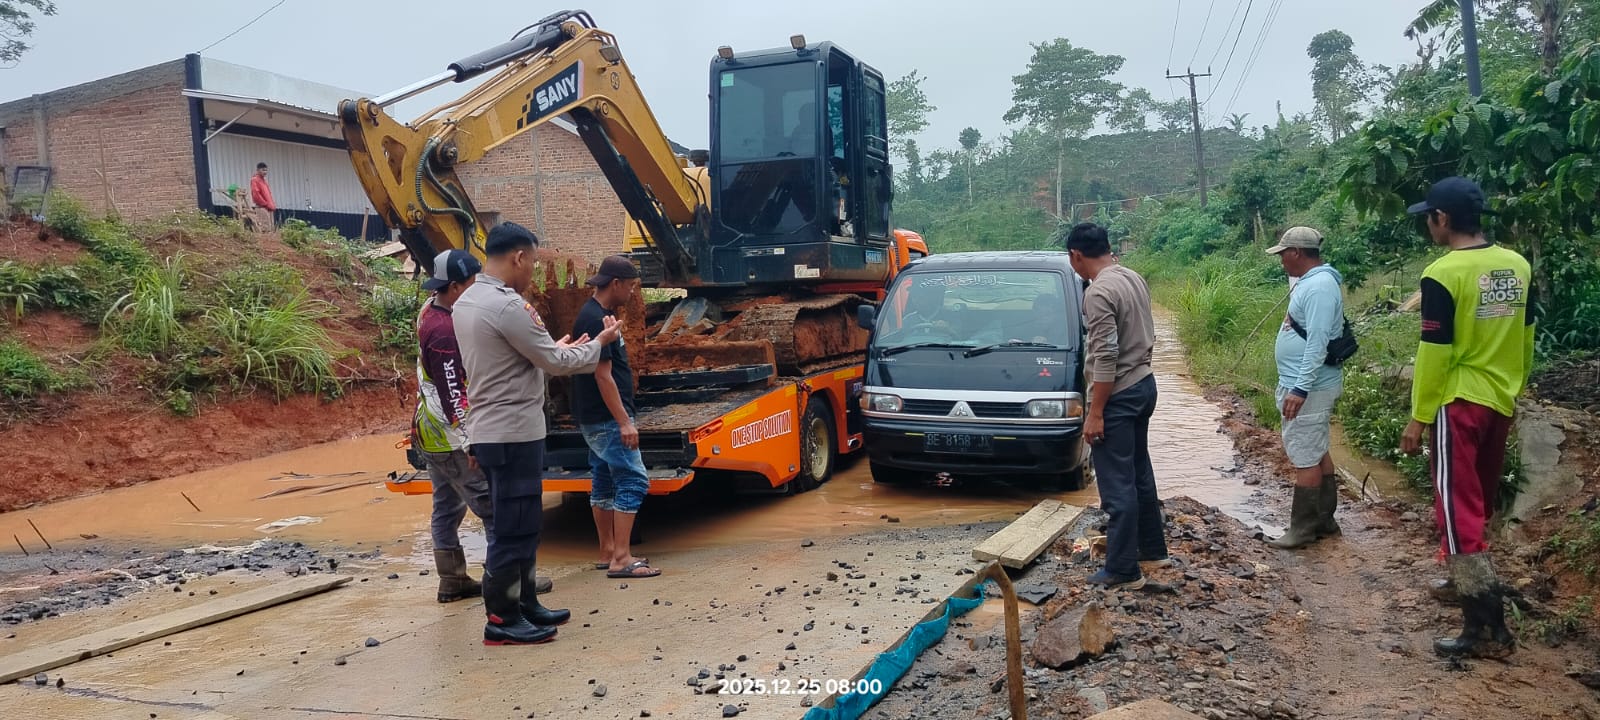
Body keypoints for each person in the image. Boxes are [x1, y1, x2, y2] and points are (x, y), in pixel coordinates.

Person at [453, 222, 622, 646]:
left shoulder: (469, 299)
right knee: (514, 528)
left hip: (497, 430)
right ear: (518, 258)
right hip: (511, 432)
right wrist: (598, 344)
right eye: (532, 261)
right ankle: (502, 618)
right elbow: (552, 362)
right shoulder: (508, 306)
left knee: (524, 525)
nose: (532, 272)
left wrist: (557, 349)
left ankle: (524, 602)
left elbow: (518, 358)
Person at [1400, 176, 1535, 659]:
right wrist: (1512, 389)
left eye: (1429, 218)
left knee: (1457, 511)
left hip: (1458, 403)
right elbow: (1526, 335)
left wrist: (1418, 417)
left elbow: (1435, 351)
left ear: (1443, 219)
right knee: (1476, 501)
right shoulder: (1517, 265)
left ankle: (1485, 626)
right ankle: (1465, 579)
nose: (1428, 226)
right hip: (1499, 399)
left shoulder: (1443, 274)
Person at [412, 249, 553, 603]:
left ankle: (452, 579)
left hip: (429, 431)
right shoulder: (444, 330)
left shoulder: (430, 310)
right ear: (457, 287)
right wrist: (469, 439)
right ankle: (509, 584)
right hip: (449, 435)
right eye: (474, 282)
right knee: (494, 507)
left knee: (446, 507)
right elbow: (453, 391)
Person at [1066, 222, 1167, 590]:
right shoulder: (1133, 277)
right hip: (1144, 383)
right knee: (1139, 471)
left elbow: (1105, 356)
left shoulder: (1098, 293)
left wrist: (1095, 413)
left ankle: (1123, 569)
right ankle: (1153, 549)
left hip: (1119, 394)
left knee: (1116, 483)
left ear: (1076, 256)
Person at [571, 256, 661, 579]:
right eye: (632, 286)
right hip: (606, 418)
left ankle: (608, 550)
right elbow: (603, 376)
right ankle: (622, 558)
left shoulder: (597, 314)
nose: (633, 293)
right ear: (616, 284)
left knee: (604, 479)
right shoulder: (596, 319)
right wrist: (624, 421)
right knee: (634, 480)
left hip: (594, 416)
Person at [1264, 227, 1347, 549]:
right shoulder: (1312, 283)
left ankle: (1302, 530)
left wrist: (1299, 388)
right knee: (1315, 449)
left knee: (1304, 456)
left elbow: (1317, 343)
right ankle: (1324, 521)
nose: (1281, 260)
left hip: (1310, 386)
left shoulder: (1320, 287)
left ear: (1296, 252)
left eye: (1283, 254)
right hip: (1308, 383)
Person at [250, 163, 278, 227]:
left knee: (271, 229)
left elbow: (268, 195)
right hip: (262, 207)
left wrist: (271, 206)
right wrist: (265, 204)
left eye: (266, 170)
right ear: (257, 170)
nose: (265, 172)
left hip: (269, 208)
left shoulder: (263, 181)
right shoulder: (254, 180)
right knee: (265, 228)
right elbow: (256, 194)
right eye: (263, 170)